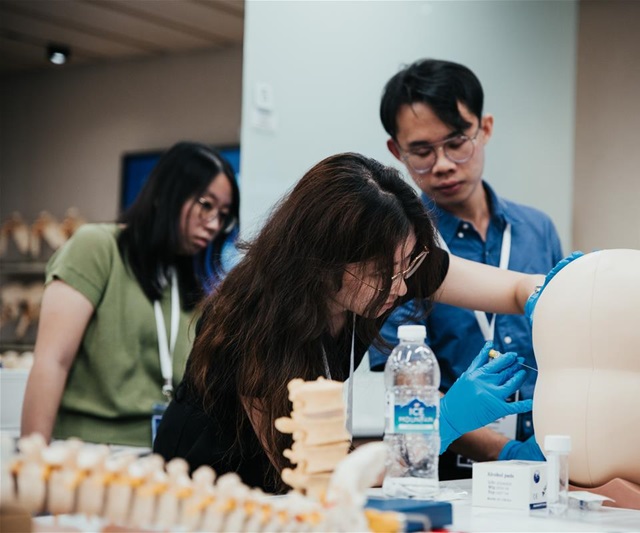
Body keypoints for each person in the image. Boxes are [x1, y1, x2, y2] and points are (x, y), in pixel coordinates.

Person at [153, 153, 542, 493]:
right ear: (323, 261)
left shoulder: (387, 272)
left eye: (406, 264)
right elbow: (318, 474)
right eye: (384, 272)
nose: (403, 285)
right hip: (209, 493)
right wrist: (441, 426)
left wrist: (552, 289)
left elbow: (512, 289)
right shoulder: (252, 321)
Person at [369, 59, 563, 479]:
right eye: (421, 151)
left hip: (548, 454)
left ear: (485, 128)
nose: (442, 164)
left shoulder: (536, 229)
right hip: (441, 468)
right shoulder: (400, 247)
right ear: (395, 152)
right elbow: (405, 384)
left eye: (457, 142)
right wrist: (506, 451)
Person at [21, 141, 240, 448]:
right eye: (206, 205)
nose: (214, 224)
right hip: (85, 453)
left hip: (161, 463)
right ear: (166, 194)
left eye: (223, 214)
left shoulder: (193, 285)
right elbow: (51, 362)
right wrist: (35, 457)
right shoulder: (97, 247)